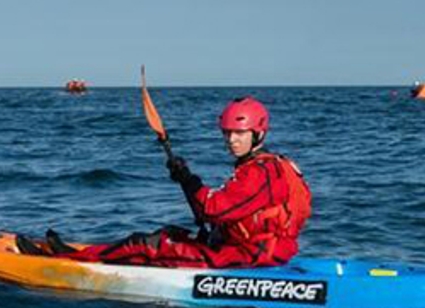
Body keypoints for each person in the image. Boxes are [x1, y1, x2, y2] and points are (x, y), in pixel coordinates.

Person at [21, 96, 313, 269]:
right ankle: (82, 255)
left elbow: (213, 209)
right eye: (227, 133)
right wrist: (185, 179)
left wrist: (188, 178)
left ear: (258, 134)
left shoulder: (260, 172)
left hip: (248, 257)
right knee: (166, 234)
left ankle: (67, 264)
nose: (232, 140)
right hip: (249, 250)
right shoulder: (266, 168)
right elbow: (206, 216)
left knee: (148, 246)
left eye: (240, 133)